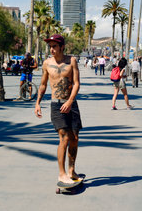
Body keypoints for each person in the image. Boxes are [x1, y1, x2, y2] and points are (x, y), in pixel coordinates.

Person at [35, 34, 83, 185]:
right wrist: (37, 103)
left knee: (74, 138)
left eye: (54, 46)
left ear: (62, 46)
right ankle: (61, 174)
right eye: (50, 46)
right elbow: (43, 84)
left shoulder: (71, 61)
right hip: (56, 105)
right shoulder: (47, 63)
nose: (52, 49)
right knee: (64, 138)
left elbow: (76, 83)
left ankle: (71, 170)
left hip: (71, 104)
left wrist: (70, 101)